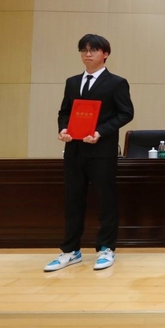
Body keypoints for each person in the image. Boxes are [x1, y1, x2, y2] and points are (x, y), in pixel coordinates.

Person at [45, 34, 134, 272]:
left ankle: (106, 248)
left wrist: (100, 132)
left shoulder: (116, 82)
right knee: (73, 200)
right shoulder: (72, 82)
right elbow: (64, 112)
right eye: (84, 50)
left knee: (106, 200)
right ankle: (70, 250)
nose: (88, 54)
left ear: (105, 54)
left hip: (102, 150)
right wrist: (63, 129)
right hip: (74, 150)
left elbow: (126, 113)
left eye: (93, 50)